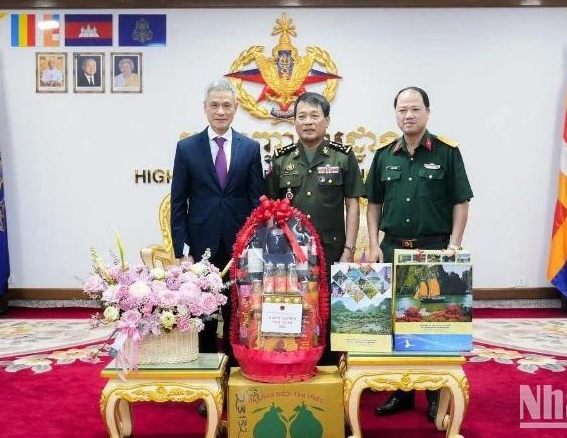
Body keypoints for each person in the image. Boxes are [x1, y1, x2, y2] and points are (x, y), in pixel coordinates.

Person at [366, 86, 473, 419]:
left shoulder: (446, 153)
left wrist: (454, 244)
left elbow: (461, 201)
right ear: (395, 114)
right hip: (394, 248)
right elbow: (373, 205)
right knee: (396, 323)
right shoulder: (385, 154)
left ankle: (432, 393)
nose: (408, 115)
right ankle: (402, 392)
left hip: (433, 250)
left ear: (427, 112)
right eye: (401, 110)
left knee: (430, 322)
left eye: (414, 109)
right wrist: (372, 244)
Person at [265, 92, 365, 364]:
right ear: (294, 121)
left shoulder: (342, 158)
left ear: (327, 120)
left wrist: (349, 250)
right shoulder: (281, 159)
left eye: (314, 116)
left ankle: (332, 367)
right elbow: (272, 210)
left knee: (331, 308)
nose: (308, 122)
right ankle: (297, 360)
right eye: (302, 116)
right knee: (295, 304)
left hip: (331, 248)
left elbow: (352, 205)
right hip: (290, 251)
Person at [170, 78, 264, 368]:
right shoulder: (187, 148)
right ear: (205, 108)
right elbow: (178, 202)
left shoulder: (250, 148)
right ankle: (208, 371)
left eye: (226, 105)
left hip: (240, 245)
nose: (220, 111)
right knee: (205, 314)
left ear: (236, 109)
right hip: (201, 245)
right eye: (215, 105)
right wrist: (182, 250)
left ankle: (237, 372)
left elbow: (256, 202)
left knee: (239, 311)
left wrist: (254, 245)